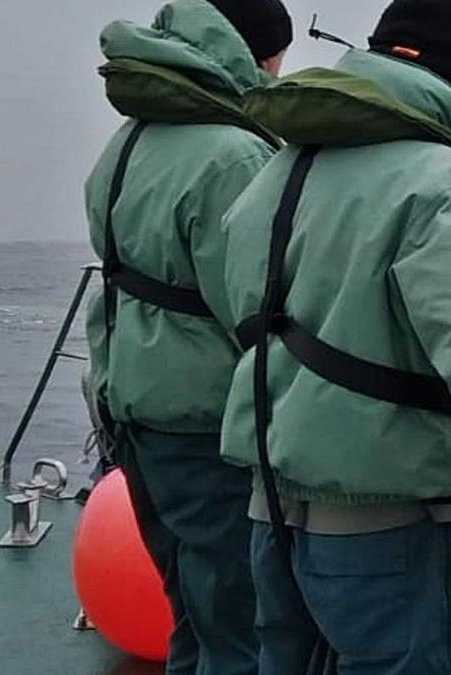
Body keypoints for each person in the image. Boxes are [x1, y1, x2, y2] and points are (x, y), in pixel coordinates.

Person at [218, 1, 451, 672]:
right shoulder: (444, 183)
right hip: (395, 539)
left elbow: (245, 318)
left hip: (272, 521)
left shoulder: (275, 177)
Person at [83, 1, 292, 673]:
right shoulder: (234, 155)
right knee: (239, 631)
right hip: (206, 430)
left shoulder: (127, 142)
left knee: (192, 619)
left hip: (134, 415)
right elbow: (256, 308)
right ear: (257, 56)